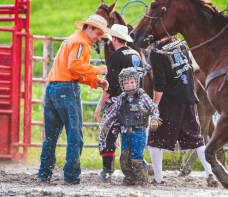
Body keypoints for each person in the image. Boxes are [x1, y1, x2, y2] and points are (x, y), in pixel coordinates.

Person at [38, 14, 110, 185]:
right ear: (89, 28)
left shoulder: (72, 39)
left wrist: (95, 82)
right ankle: (71, 176)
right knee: (75, 134)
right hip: (66, 90)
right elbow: (75, 66)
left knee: (50, 136)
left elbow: (74, 71)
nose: (99, 38)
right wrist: (98, 70)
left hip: (53, 88)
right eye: (98, 34)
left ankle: (45, 173)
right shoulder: (81, 43)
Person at [147, 36, 218, 187]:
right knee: (197, 139)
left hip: (170, 102)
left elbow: (159, 84)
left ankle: (158, 179)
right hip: (189, 98)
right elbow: (190, 69)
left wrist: (154, 109)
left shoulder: (156, 52)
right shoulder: (181, 45)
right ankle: (209, 173)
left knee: (154, 140)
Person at [93, 24, 143, 181]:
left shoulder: (116, 56)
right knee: (130, 136)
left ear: (114, 38)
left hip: (117, 101)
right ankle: (135, 169)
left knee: (106, 132)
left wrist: (100, 105)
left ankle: (107, 170)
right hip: (135, 101)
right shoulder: (136, 54)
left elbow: (110, 85)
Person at [100, 67, 160, 186]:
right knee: (124, 159)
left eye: (131, 82)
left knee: (136, 158)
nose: (129, 85)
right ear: (122, 84)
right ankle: (129, 178)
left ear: (137, 82)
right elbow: (114, 114)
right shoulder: (121, 98)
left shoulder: (143, 97)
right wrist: (107, 125)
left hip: (138, 133)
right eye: (126, 83)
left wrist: (154, 119)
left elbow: (154, 110)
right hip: (125, 133)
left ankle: (142, 179)